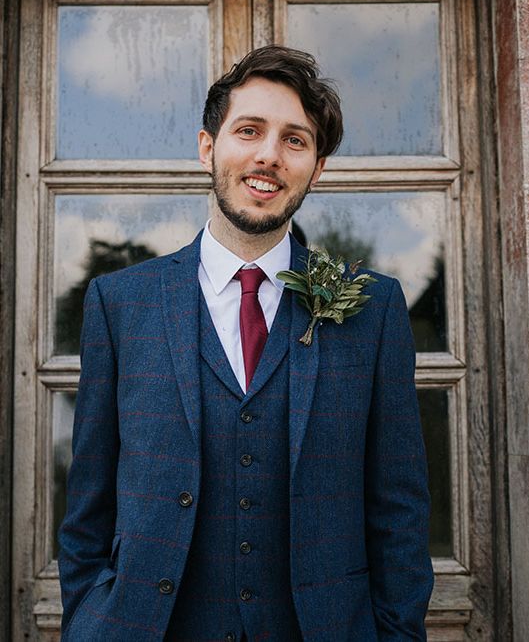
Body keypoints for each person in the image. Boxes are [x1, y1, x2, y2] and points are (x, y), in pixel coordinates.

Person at [57, 45, 433, 641]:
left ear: (317, 167)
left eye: (295, 140)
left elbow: (399, 511)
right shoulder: (120, 304)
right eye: (249, 131)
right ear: (208, 147)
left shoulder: (373, 310)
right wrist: (89, 623)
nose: (268, 155)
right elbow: (88, 506)